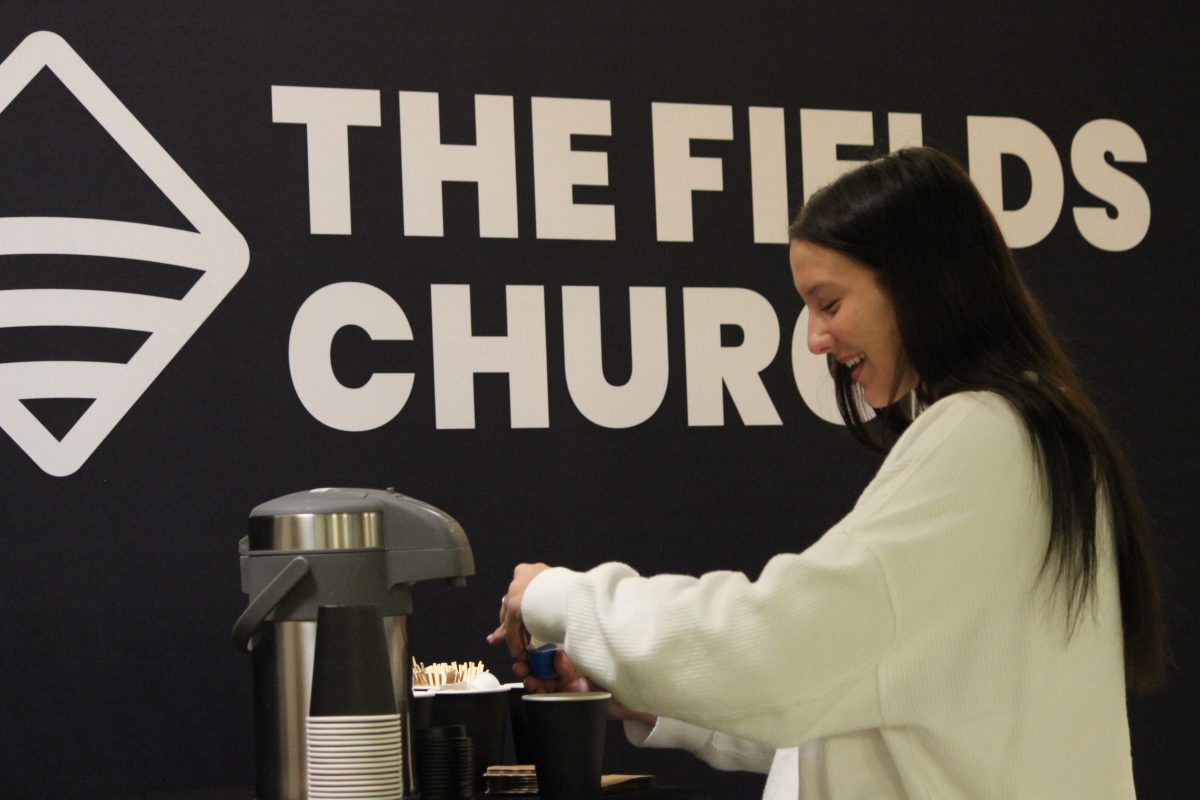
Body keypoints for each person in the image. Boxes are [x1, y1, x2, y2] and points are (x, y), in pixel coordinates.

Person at [487, 146, 1166, 799]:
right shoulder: (1028, 436)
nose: (814, 338)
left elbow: (776, 646)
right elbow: (854, 698)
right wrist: (637, 692)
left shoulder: (983, 439)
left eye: (829, 303)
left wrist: (561, 599)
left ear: (916, 282)